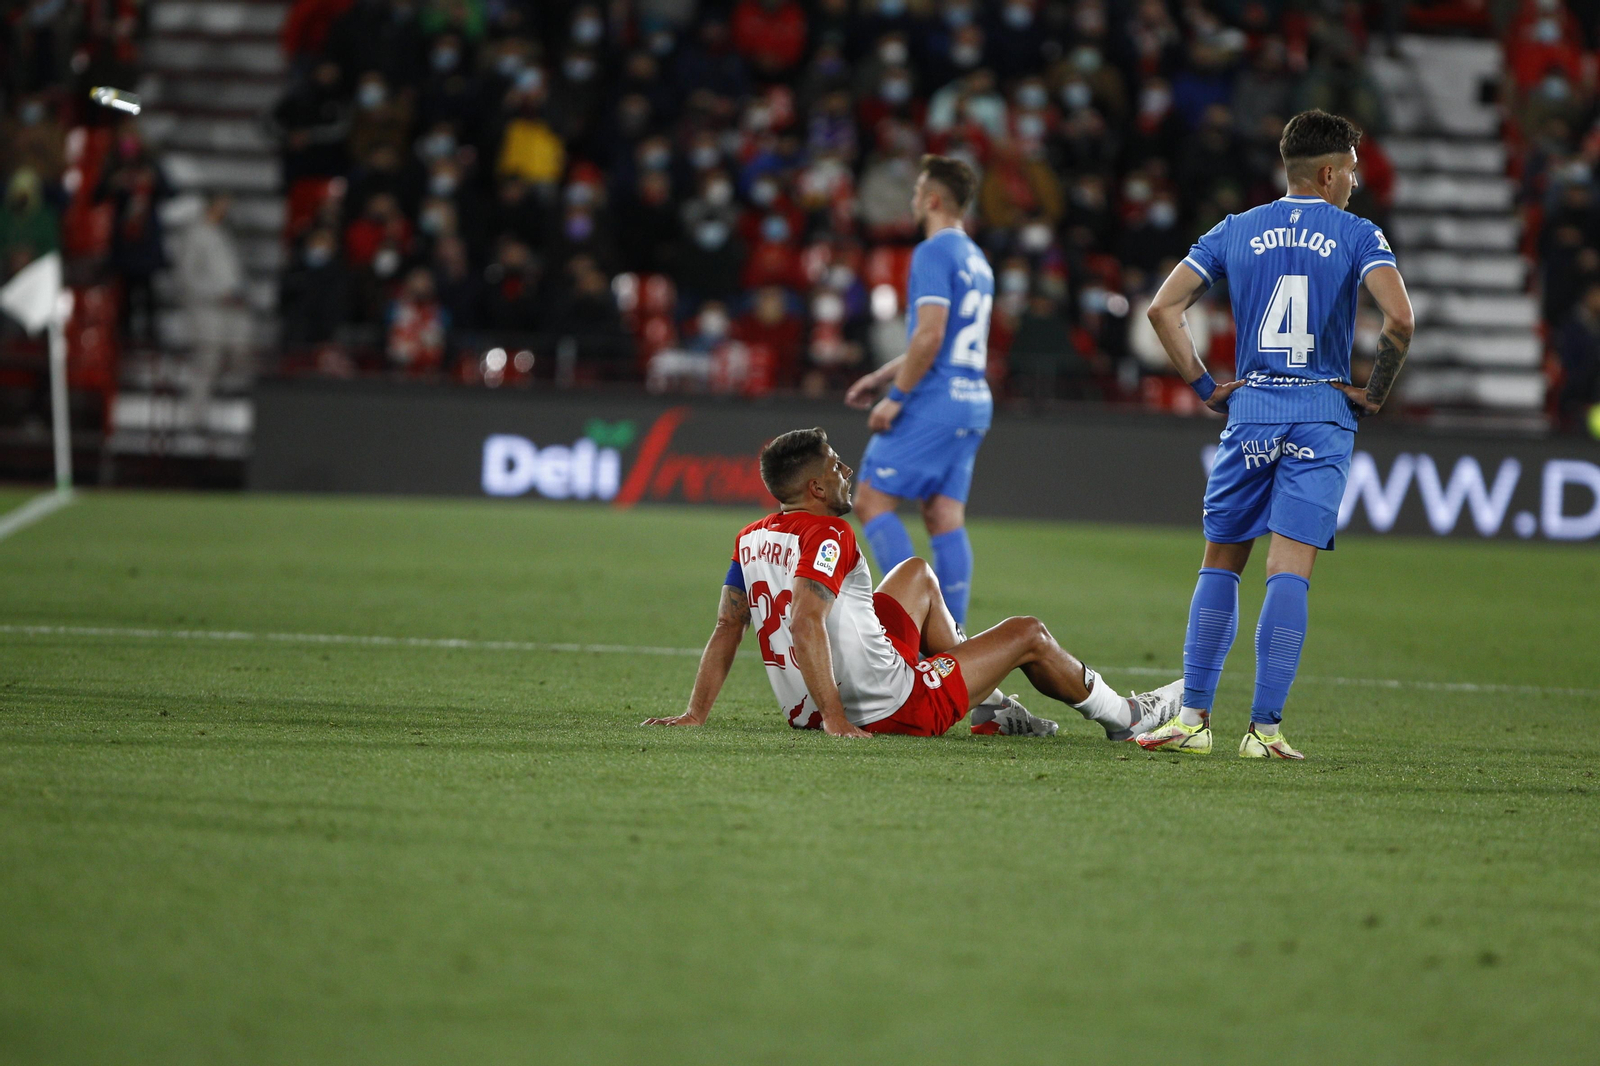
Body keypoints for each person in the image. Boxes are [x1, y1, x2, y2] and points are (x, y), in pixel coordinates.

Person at [1139, 109, 1415, 760]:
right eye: (1351, 170)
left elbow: (1162, 307)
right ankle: (1263, 732)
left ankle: (1192, 721)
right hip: (1321, 414)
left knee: (1220, 560)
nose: (1355, 182)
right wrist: (1375, 393)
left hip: (1252, 411)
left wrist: (1205, 386)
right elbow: (1400, 319)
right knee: (1289, 570)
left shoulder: (1235, 229)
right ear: (1329, 173)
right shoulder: (1358, 233)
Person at [643, 428, 1182, 740]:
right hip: (889, 704)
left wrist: (695, 714)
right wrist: (836, 720)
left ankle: (990, 709)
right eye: (835, 467)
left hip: (808, 704)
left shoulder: (750, 538)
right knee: (1029, 633)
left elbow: (728, 626)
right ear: (815, 488)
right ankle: (1125, 717)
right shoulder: (830, 533)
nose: (846, 471)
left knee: (916, 573)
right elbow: (806, 621)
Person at [843, 155, 993, 627]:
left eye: (916, 193)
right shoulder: (977, 259)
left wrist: (896, 397)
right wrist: (883, 376)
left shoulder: (932, 252)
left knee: (871, 501)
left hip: (935, 400)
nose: (911, 201)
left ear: (932, 200)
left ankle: (914, 626)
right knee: (944, 515)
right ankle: (956, 639)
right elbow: (942, 343)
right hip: (973, 399)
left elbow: (930, 336)